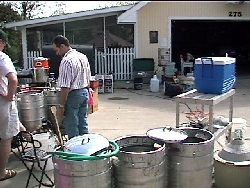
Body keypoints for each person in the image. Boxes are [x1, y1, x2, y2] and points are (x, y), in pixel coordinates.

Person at [52, 35, 91, 139]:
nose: (57, 53)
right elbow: (88, 78)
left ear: (62, 46)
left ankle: (75, 150)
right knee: (83, 122)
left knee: (71, 124)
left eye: (57, 50)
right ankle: (86, 147)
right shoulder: (82, 56)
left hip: (74, 95)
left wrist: (61, 106)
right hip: (84, 92)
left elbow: (65, 87)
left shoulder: (66, 61)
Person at [0, 29, 26, 181]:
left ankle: (23, 130)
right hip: (2, 103)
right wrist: (10, 96)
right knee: (6, 138)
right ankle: (1, 172)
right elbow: (13, 80)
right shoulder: (2, 57)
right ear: (1, 42)